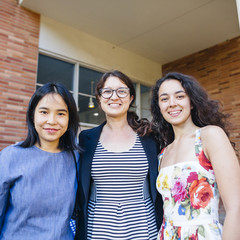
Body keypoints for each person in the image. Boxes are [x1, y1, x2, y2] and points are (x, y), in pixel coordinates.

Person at [74, 70, 163, 240]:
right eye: (107, 91)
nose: (114, 97)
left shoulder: (149, 137)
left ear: (130, 98)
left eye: (121, 91)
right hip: (98, 228)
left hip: (143, 228)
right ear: (99, 97)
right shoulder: (87, 138)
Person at [151, 72, 240, 240]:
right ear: (159, 107)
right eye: (164, 99)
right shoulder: (163, 152)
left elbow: (236, 207)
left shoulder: (209, 136)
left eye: (180, 96)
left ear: (191, 102)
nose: (172, 104)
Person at [0, 82, 81, 240]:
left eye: (61, 114)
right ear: (32, 115)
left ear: (69, 118)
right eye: (44, 112)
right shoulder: (10, 157)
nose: (52, 121)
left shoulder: (76, 158)